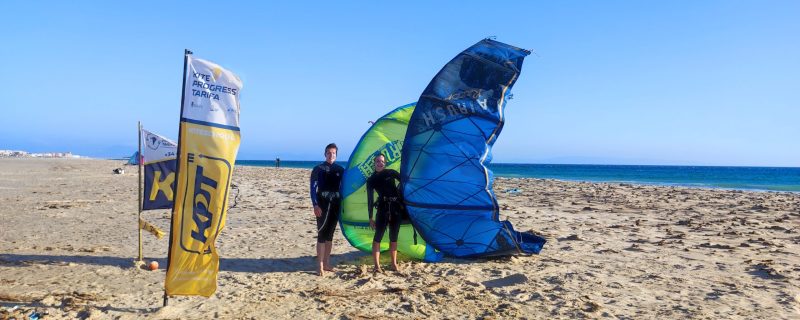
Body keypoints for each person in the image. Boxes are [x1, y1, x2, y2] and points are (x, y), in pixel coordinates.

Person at [309, 143, 344, 276]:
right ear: (325, 154)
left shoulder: (340, 170)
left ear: (336, 155)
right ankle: (320, 266)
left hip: (335, 204)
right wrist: (315, 205)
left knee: (330, 235)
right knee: (322, 235)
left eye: (333, 153)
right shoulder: (318, 169)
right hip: (322, 204)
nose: (331, 155)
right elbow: (313, 188)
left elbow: (345, 187)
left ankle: (326, 263)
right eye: (329, 153)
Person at [367, 154, 403, 273]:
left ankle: (393, 264)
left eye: (382, 161)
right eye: (378, 161)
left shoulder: (391, 172)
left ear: (385, 163)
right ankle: (377, 266)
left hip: (396, 208)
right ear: (374, 163)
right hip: (382, 208)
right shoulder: (371, 179)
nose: (380, 163)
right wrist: (370, 217)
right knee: (378, 237)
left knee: (394, 237)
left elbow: (405, 181)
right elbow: (370, 199)